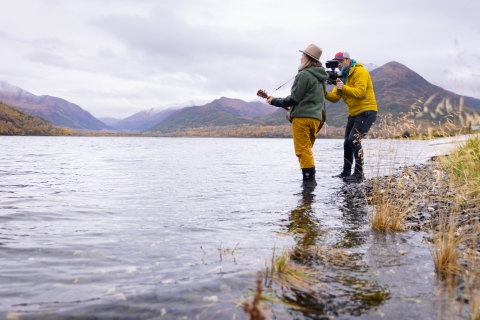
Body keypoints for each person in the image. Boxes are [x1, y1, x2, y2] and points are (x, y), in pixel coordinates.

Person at [267, 44, 328, 189]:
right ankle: (309, 184)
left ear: (307, 59)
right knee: (307, 149)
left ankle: (309, 182)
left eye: (302, 55)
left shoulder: (303, 75)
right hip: (316, 119)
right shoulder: (322, 77)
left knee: (302, 150)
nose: (300, 58)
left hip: (302, 119)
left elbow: (294, 98)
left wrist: (273, 101)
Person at [325, 51, 378, 183]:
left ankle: (359, 174)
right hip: (353, 113)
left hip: (367, 111)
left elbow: (360, 93)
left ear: (348, 60)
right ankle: (346, 172)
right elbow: (335, 98)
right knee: (347, 142)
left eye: (341, 61)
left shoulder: (361, 72)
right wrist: (322, 90)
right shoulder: (341, 77)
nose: (339, 65)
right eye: (337, 63)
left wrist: (343, 87)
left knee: (354, 140)